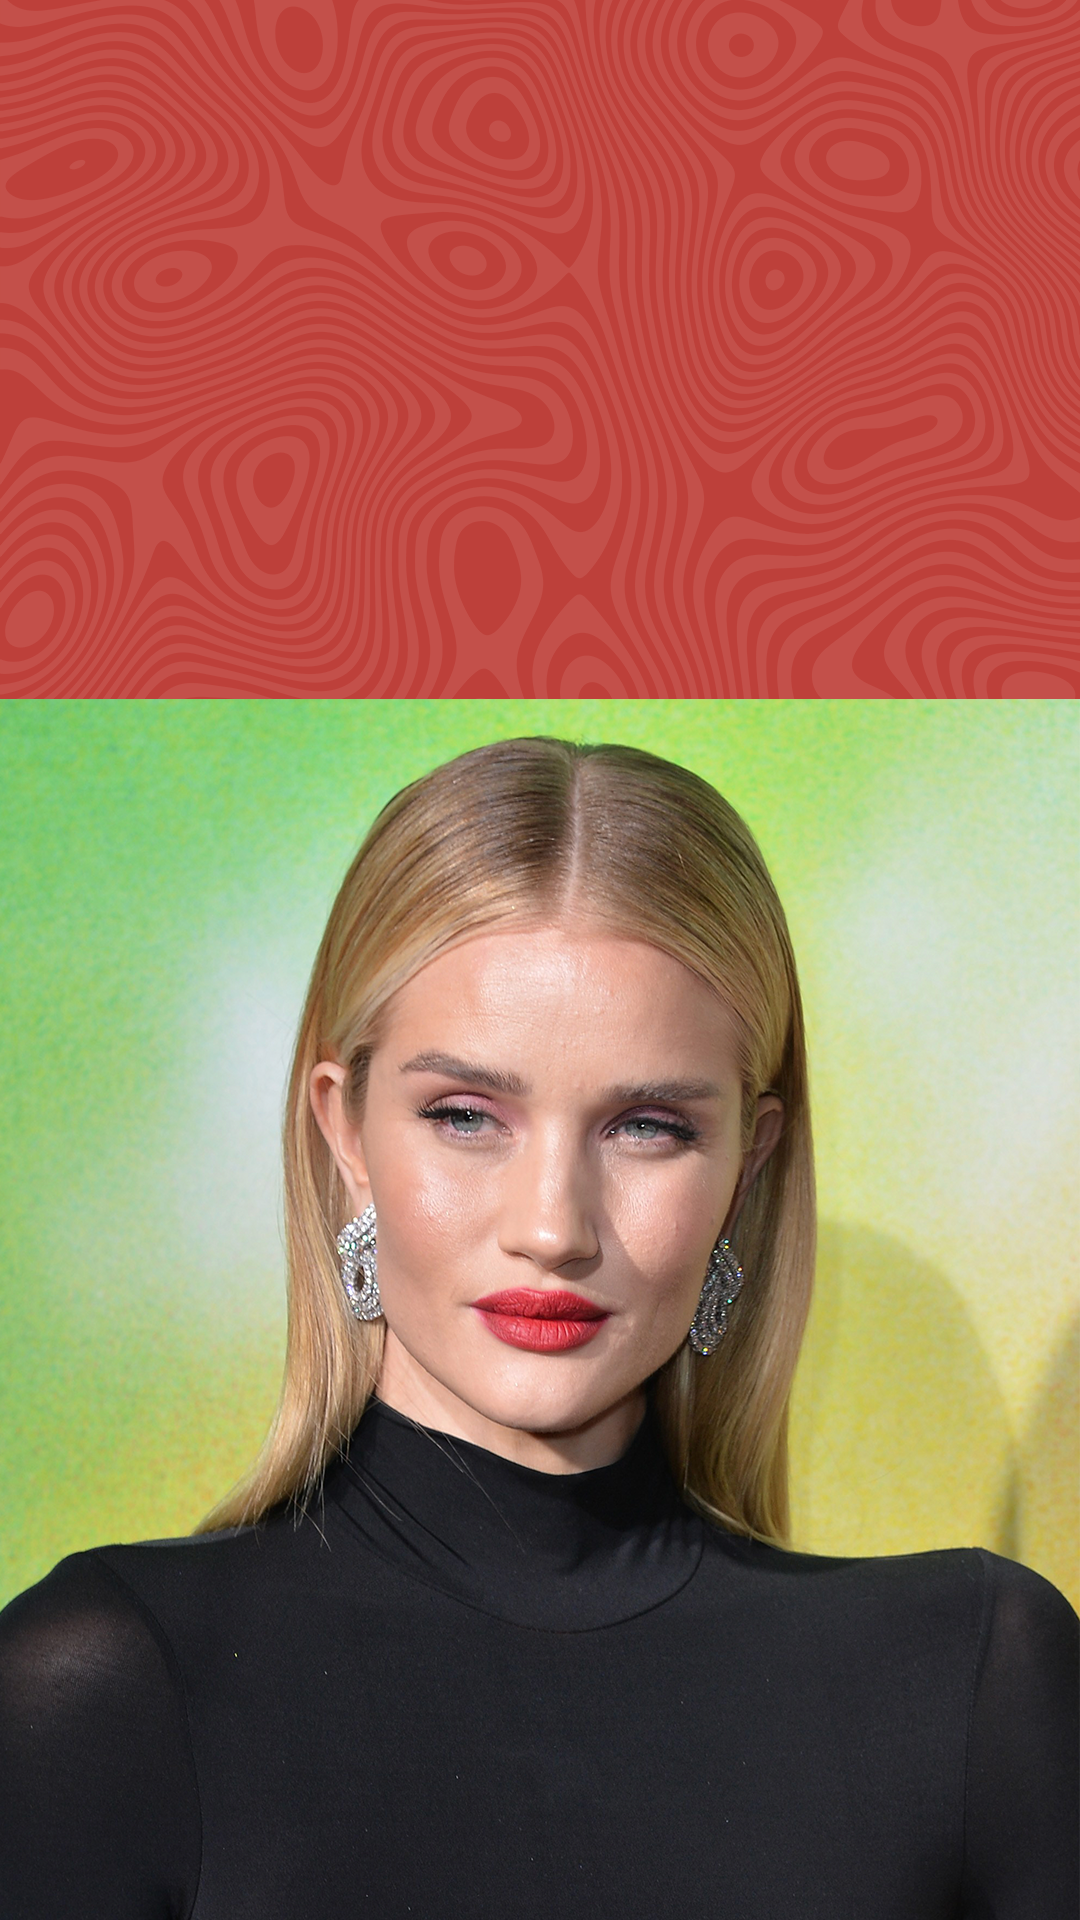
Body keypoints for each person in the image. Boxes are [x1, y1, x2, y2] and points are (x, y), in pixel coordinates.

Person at [0, 736, 1075, 1919]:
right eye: (466, 1115)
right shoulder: (108, 1694)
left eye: (648, 1126)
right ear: (346, 1132)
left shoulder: (972, 1687)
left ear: (748, 1164)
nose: (553, 1227)